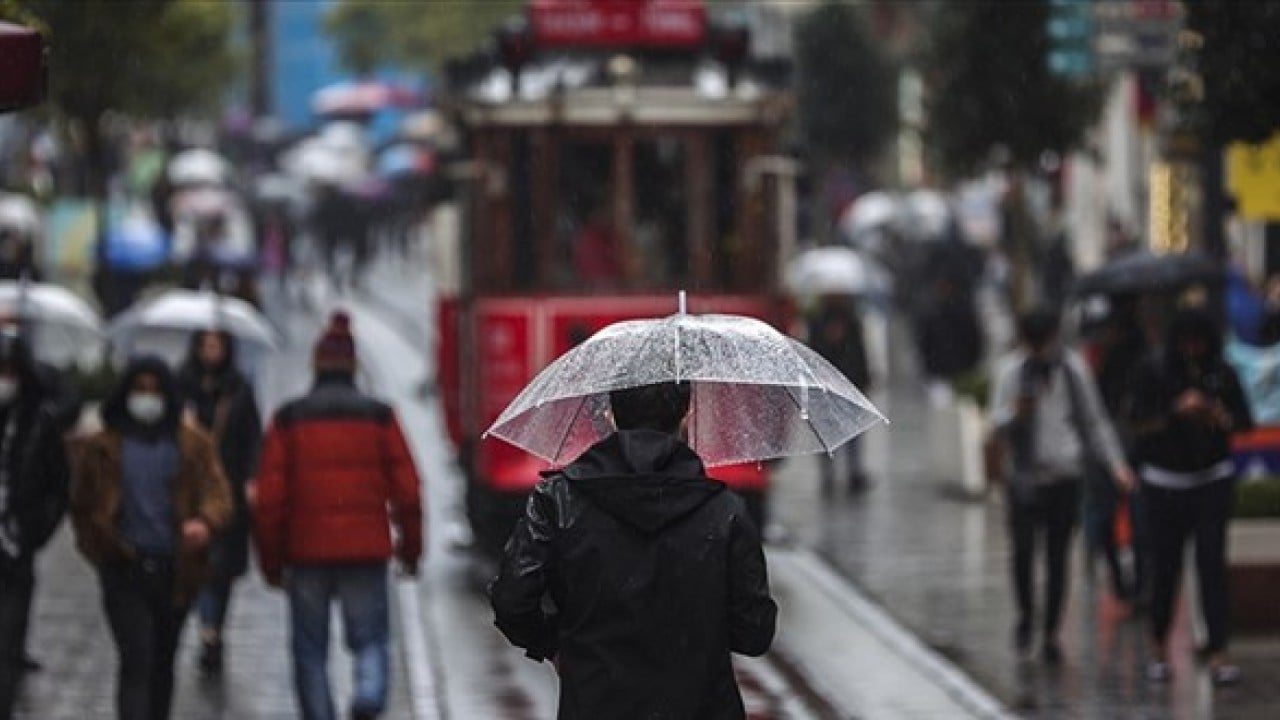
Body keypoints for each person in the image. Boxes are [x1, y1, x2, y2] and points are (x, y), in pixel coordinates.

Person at [490, 381, 778, 719]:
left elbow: (512, 599)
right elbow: (755, 632)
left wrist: (556, 646)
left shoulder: (559, 502)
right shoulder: (724, 512)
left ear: (610, 415)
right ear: (686, 414)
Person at [253, 311, 423, 720]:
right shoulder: (380, 416)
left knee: (310, 649)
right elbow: (409, 491)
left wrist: (272, 562)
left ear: (315, 365)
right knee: (370, 639)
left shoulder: (289, 418)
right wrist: (410, 551)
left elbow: (269, 499)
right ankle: (367, 695)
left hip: (305, 553)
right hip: (366, 550)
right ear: (353, 366)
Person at [70, 355, 231, 720]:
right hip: (124, 568)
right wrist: (99, 546)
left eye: (155, 391)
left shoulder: (193, 444)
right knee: (136, 659)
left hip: (175, 571)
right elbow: (81, 504)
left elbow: (218, 493)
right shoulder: (103, 447)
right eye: (140, 390)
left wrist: (204, 522)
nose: (147, 398)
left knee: (162, 662)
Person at [988, 308, 1134, 664]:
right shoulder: (1011, 371)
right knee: (1023, 553)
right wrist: (1014, 414)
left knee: (1057, 557)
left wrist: (1117, 466)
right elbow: (995, 422)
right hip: (1023, 477)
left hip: (1064, 477)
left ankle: (1051, 630)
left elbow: (1094, 420)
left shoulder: (1072, 370)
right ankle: (1026, 615)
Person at [1129, 308, 1253, 685]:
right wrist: (1174, 411)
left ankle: (1218, 651)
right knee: (1165, 568)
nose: (1193, 351)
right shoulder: (1154, 371)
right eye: (1187, 343)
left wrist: (1218, 415)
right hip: (1165, 483)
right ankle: (1158, 646)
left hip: (1211, 479)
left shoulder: (1221, 373)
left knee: (1212, 566)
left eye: (1200, 344)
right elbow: (1136, 421)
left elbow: (1244, 421)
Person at [176, 329, 262, 677]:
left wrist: (251, 479)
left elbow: (253, 437)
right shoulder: (180, 385)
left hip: (227, 491)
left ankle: (213, 629)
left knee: (220, 569)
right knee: (197, 564)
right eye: (206, 345)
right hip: (188, 492)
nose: (211, 352)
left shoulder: (238, 388)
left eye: (218, 346)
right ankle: (207, 629)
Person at [0, 330, 69, 720]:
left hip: (14, 552)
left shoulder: (38, 424)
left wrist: (34, 532)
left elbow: (58, 487)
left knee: (7, 646)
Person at [807, 296, 872, 494]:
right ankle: (828, 475)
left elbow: (859, 352)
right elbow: (813, 353)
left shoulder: (852, 321)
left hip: (849, 382)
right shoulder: (817, 322)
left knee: (853, 433)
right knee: (826, 432)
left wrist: (864, 378)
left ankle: (854, 472)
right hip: (825, 385)